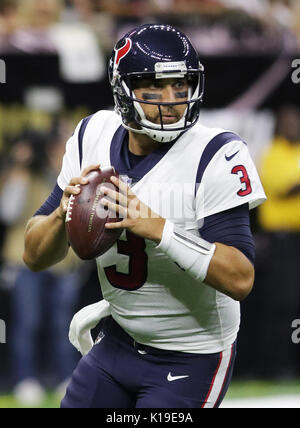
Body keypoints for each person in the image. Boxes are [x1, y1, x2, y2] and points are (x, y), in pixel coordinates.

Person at [23, 24, 266, 408]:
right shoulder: (93, 135)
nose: (172, 100)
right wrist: (61, 215)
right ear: (124, 90)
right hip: (118, 339)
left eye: (181, 85)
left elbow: (240, 278)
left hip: (192, 354)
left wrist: (158, 228)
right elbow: (35, 257)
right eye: (155, 86)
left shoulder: (216, 153)